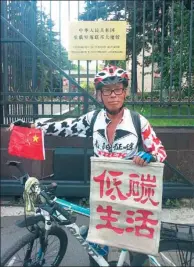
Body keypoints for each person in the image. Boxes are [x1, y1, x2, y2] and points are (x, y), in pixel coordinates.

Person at [9, 65, 167, 265]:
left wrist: (149, 156)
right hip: (103, 191)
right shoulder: (94, 119)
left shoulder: (138, 121)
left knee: (135, 248)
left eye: (118, 89)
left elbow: (160, 152)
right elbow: (64, 127)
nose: (113, 95)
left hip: (131, 194)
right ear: (100, 95)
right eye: (107, 91)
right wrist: (32, 125)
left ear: (125, 92)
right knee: (99, 244)